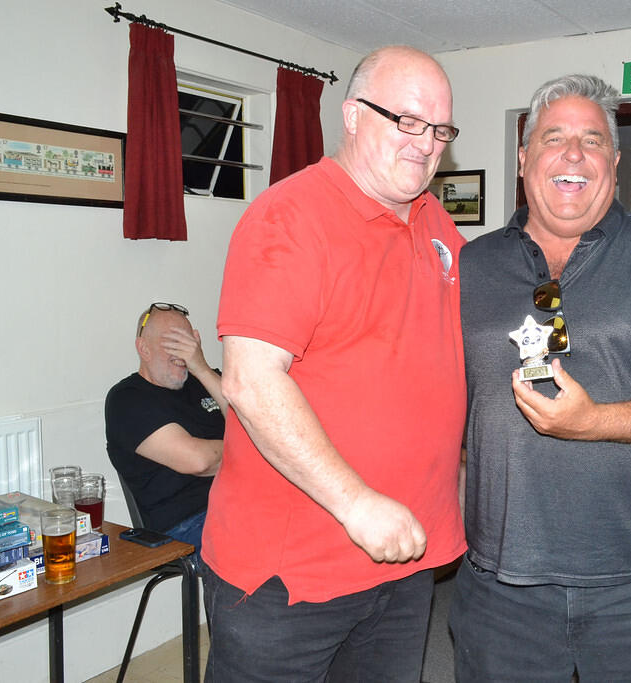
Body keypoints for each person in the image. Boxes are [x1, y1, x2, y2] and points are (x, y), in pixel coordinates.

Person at [452, 74, 631, 682]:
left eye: (592, 140)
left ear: (613, 161)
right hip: (500, 589)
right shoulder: (469, 265)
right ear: (524, 156)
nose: (573, 153)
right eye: (554, 136)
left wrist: (595, 422)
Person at [201, 45, 467, 682]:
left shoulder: (436, 223)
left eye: (439, 129)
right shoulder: (290, 216)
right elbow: (251, 379)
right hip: (293, 572)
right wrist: (357, 504)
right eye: (404, 120)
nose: (424, 142)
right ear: (351, 115)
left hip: (404, 559)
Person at [105, 302, 224, 549]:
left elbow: (254, 423)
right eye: (173, 343)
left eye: (189, 343)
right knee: (277, 548)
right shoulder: (127, 398)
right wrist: (253, 450)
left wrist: (201, 368)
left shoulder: (207, 379)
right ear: (144, 349)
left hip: (243, 503)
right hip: (187, 523)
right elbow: (198, 461)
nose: (183, 354)